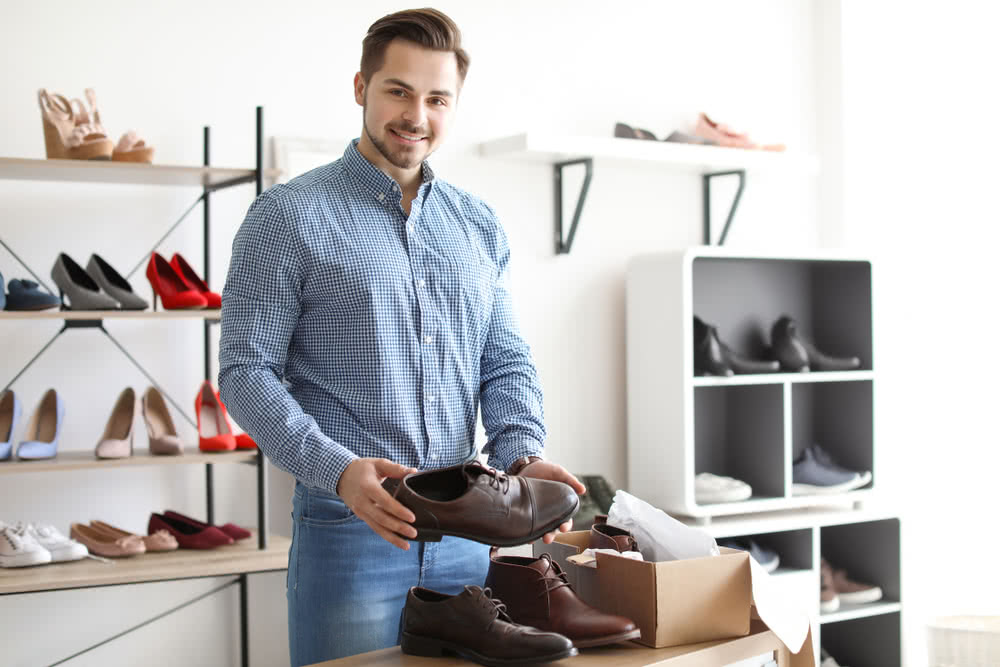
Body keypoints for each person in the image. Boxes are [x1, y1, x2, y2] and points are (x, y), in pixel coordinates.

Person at [218, 7, 585, 666]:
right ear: (360, 87)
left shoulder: (478, 226)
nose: (417, 114)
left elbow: (504, 361)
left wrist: (523, 453)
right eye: (398, 91)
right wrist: (337, 470)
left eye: (437, 98)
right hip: (351, 530)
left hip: (470, 535)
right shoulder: (286, 217)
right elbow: (245, 372)